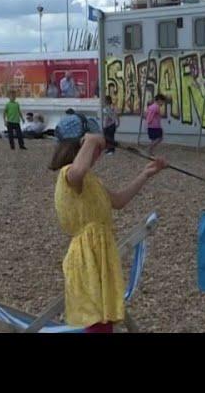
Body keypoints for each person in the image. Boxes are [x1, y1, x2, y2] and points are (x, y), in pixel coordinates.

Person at [49, 119, 167, 333]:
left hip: (99, 252)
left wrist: (146, 174)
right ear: (80, 146)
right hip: (86, 255)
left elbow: (119, 201)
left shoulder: (91, 180)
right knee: (96, 317)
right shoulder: (69, 174)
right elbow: (78, 170)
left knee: (105, 316)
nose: (99, 154)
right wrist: (92, 141)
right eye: (96, 149)